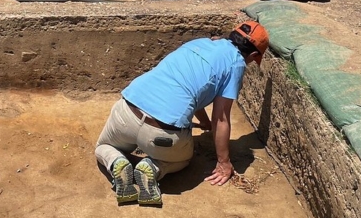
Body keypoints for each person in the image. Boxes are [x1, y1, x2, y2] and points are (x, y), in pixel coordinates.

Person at [94, 20, 270, 207]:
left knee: (103, 147)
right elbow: (221, 117)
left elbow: (193, 91)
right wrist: (224, 162)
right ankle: (153, 168)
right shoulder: (236, 64)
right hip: (162, 134)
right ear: (252, 54)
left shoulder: (199, 43)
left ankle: (116, 160)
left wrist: (204, 122)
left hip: (127, 111)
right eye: (253, 59)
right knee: (184, 159)